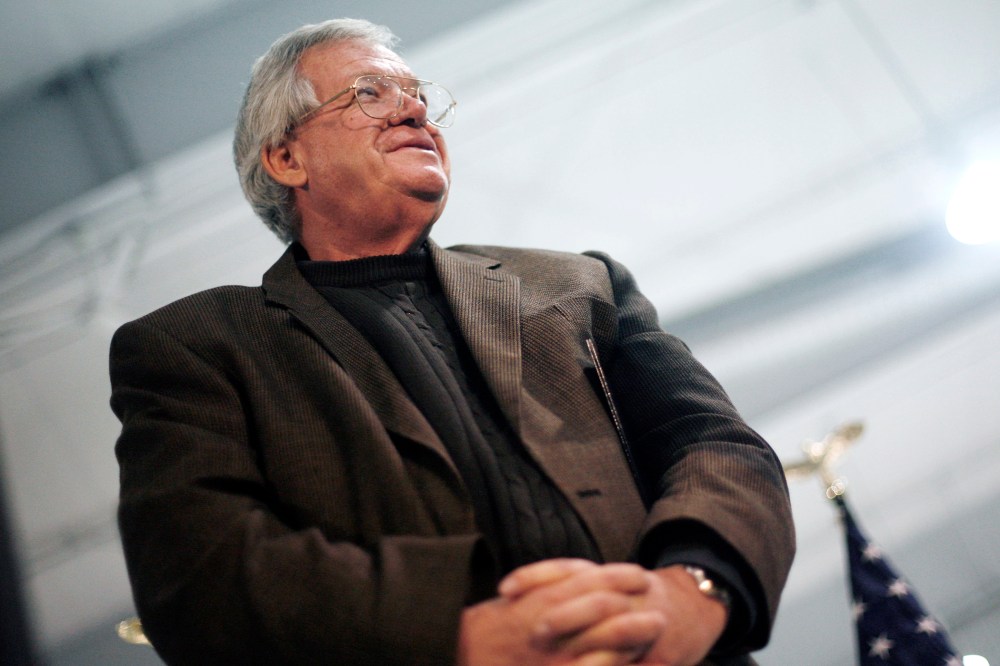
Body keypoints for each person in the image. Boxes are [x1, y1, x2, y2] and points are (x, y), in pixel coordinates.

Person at [110, 18, 794, 666]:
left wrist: (694, 591)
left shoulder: (581, 284)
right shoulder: (198, 346)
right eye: (370, 93)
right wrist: (457, 640)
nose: (414, 112)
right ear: (287, 158)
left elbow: (719, 445)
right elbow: (199, 572)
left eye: (419, 96)